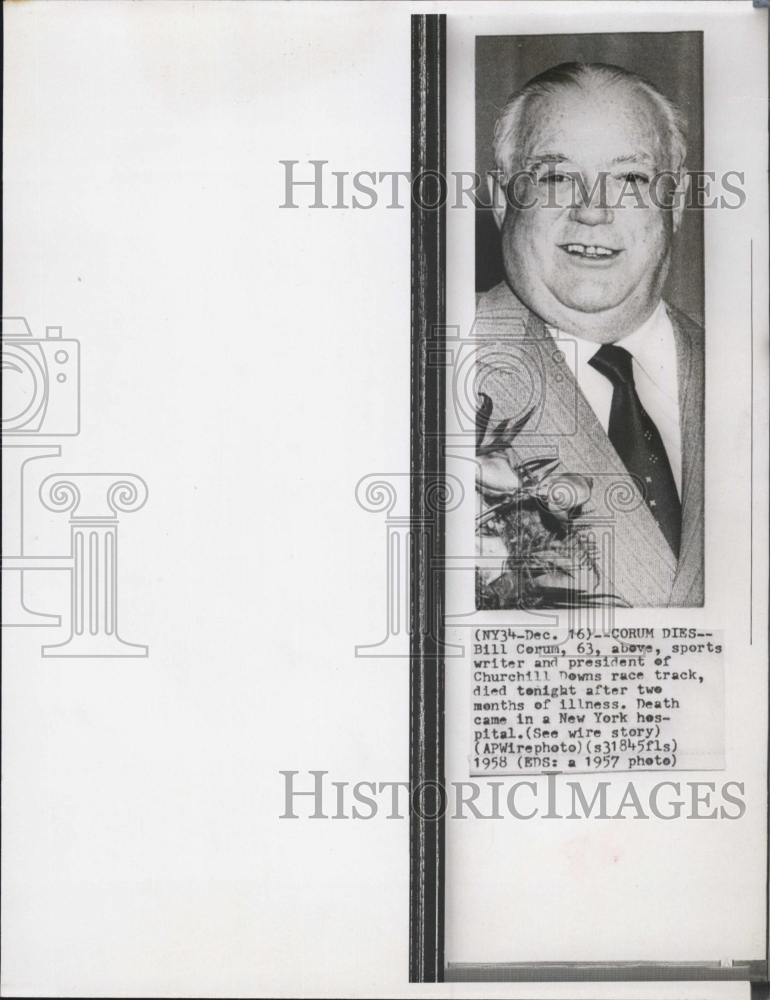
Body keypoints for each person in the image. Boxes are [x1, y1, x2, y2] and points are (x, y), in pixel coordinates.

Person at [475, 62, 703, 609]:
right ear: (503, 198)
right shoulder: (417, 376)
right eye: (555, 177)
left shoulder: (747, 369)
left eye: (630, 179)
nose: (593, 211)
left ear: (675, 202)